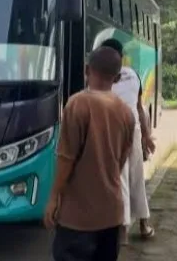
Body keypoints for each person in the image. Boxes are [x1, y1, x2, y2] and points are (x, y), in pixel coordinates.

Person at [45, 46, 135, 261]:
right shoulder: (125, 112)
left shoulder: (77, 103)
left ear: (87, 70)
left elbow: (66, 157)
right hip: (112, 214)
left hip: (77, 218)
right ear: (117, 77)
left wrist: (54, 198)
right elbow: (121, 160)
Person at [100, 38, 156, 243]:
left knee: (121, 180)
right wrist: (147, 136)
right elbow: (141, 108)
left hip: (114, 133)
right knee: (136, 178)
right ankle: (143, 224)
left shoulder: (103, 78)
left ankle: (121, 231)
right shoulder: (133, 74)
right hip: (134, 130)